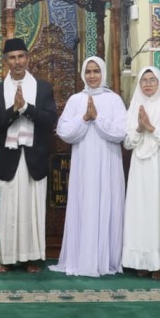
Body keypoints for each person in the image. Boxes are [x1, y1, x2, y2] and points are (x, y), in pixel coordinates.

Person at [50, 56, 127, 277]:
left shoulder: (114, 100)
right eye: (88, 71)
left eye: (96, 71)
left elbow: (121, 132)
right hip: (84, 165)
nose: (92, 76)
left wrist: (98, 119)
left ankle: (106, 260)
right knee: (85, 203)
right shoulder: (76, 100)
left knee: (107, 202)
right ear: (83, 74)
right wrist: (84, 118)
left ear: (103, 72)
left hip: (108, 163)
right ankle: (82, 259)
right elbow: (64, 131)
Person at [0, 38, 57, 273]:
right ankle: (7, 258)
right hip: (9, 159)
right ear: (5, 61)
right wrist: (14, 111)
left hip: (34, 158)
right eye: (12, 58)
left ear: (28, 58)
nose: (17, 62)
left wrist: (26, 108)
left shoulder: (43, 88)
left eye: (21, 56)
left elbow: (50, 120)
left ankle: (31, 258)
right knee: (7, 208)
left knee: (32, 209)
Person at [121, 66, 160, 280]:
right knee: (141, 211)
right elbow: (127, 142)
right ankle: (142, 261)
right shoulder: (134, 106)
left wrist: (151, 127)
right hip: (140, 168)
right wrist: (139, 128)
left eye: (152, 80)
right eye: (144, 80)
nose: (148, 84)